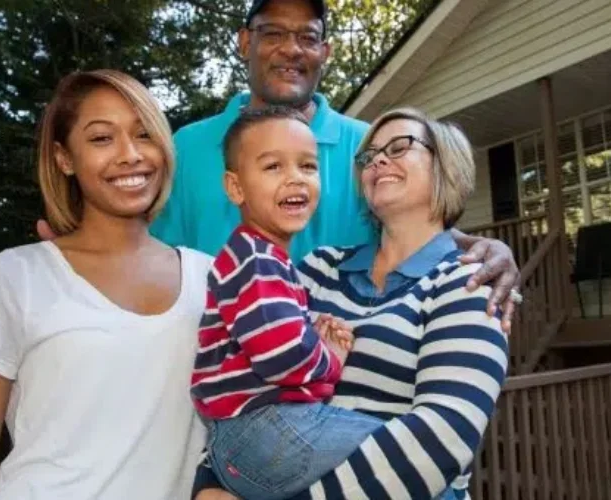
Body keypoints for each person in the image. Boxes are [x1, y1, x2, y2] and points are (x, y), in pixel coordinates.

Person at [145, 0, 523, 332]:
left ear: (325, 52)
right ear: (246, 42)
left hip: (342, 374)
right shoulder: (189, 147)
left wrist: (480, 246)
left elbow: (413, 226)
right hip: (224, 381)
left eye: (308, 38)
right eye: (274, 32)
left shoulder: (369, 148)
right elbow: (153, 255)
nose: (291, 49)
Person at [197, 107, 509, 500]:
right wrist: (208, 484)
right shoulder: (317, 268)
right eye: (368, 156)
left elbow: (443, 438)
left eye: (399, 146)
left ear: (447, 165)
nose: (378, 159)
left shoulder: (471, 283)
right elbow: (252, 401)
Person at [0, 70, 210, 499]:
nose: (130, 154)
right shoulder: (12, 278)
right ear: (64, 159)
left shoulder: (215, 279)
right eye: (101, 138)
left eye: (144, 134)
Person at [193, 106, 412, 500]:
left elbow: (268, 332)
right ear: (235, 187)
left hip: (254, 435)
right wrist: (329, 358)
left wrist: (308, 325)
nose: (295, 178)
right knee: (405, 450)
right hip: (260, 431)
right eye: (273, 166)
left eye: (308, 166)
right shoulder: (256, 259)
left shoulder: (266, 260)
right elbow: (281, 354)